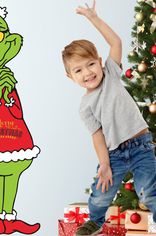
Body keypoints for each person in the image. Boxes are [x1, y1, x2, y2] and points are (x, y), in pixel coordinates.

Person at [62, 1, 156, 235]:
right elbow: (97, 136)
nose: (88, 72)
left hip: (141, 146)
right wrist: (104, 163)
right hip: (114, 153)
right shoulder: (85, 106)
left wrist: (93, 18)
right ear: (70, 77)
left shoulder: (112, 74)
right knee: (102, 190)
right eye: (79, 70)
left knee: (147, 189)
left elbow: (116, 42)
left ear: (100, 62)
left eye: (91, 64)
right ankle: (95, 221)